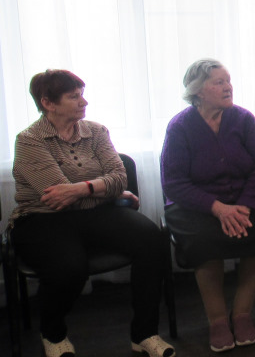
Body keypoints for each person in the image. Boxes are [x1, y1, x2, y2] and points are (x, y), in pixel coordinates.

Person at [9, 70, 174, 357]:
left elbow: (119, 177)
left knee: (151, 240)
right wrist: (109, 191)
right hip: (42, 219)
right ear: (48, 103)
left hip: (96, 212)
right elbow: (57, 197)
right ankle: (52, 334)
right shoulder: (29, 140)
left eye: (81, 95)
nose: (83, 102)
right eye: (74, 97)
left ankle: (144, 333)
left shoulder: (96, 131)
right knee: (69, 268)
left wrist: (87, 189)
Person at [161, 59, 255, 352]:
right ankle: (217, 320)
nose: (228, 87)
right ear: (198, 91)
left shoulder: (244, 119)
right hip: (195, 206)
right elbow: (174, 183)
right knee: (204, 242)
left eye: (228, 81)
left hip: (243, 201)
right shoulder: (179, 127)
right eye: (219, 82)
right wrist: (217, 208)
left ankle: (242, 314)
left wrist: (245, 206)